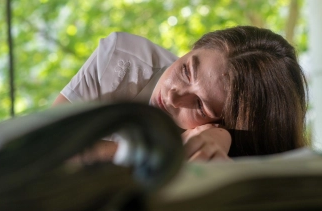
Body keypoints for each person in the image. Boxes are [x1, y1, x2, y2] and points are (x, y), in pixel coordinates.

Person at [53, 25, 308, 163]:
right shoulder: (122, 59)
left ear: (221, 122)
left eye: (199, 105)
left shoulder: (217, 145)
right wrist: (161, 154)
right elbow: (50, 144)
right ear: (194, 48)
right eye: (186, 70)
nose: (174, 96)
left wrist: (222, 139)